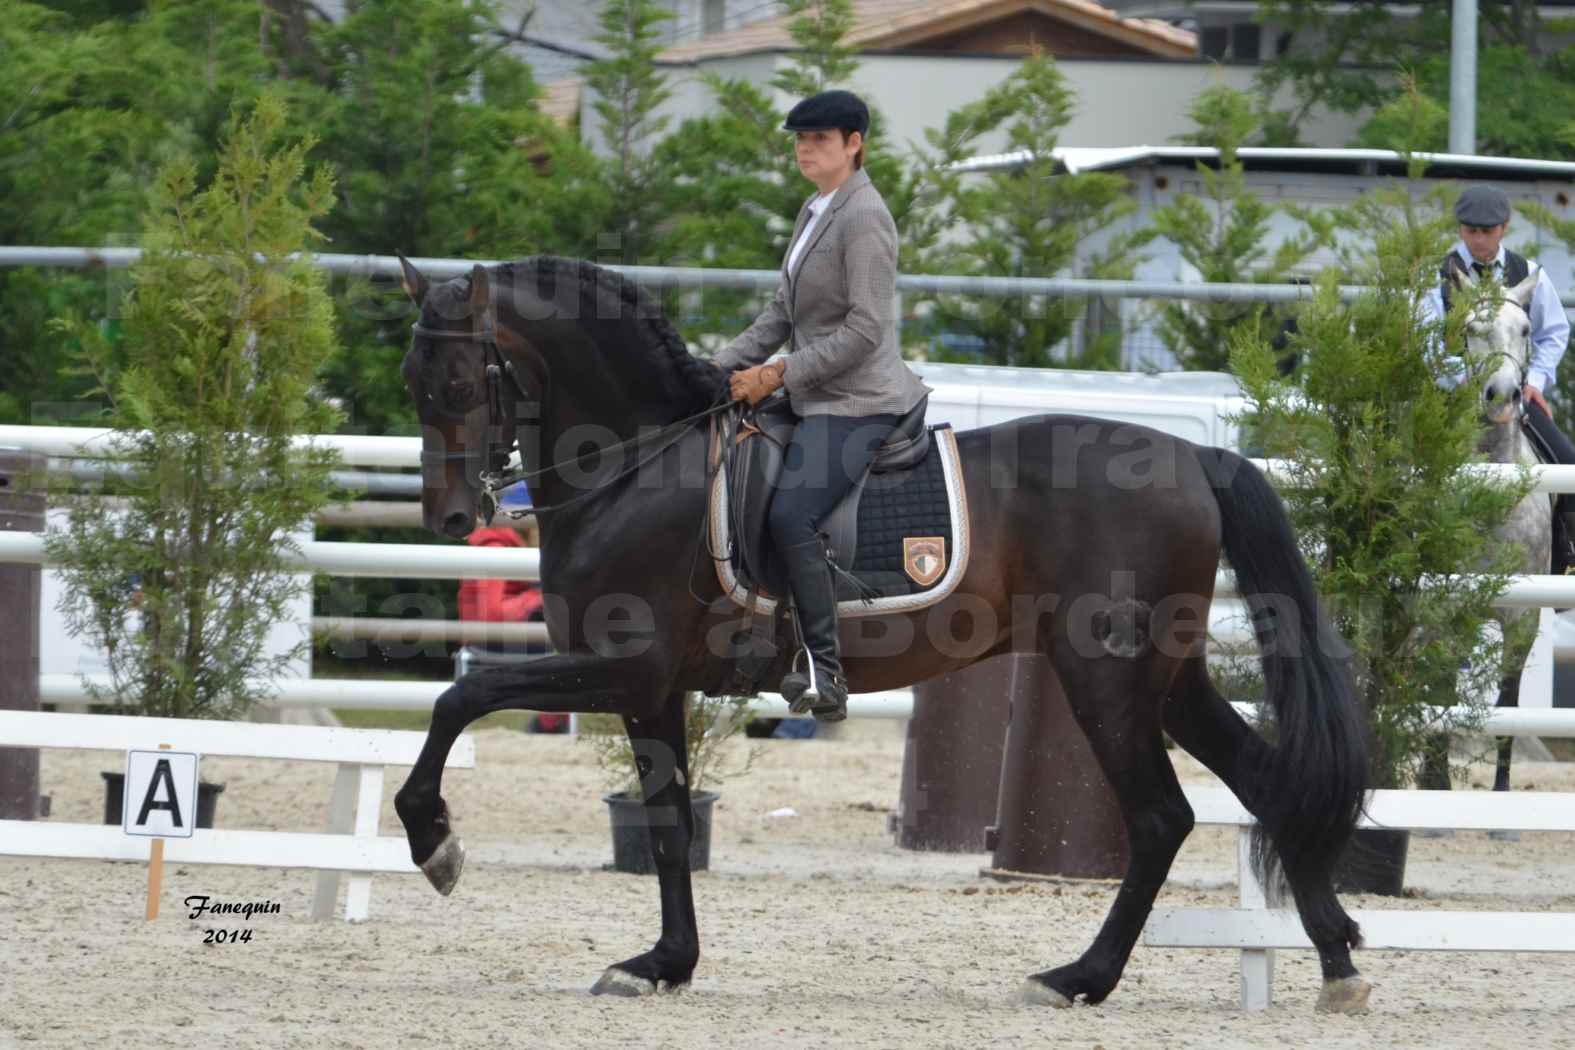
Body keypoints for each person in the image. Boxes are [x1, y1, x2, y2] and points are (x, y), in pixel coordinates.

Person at [711, 89, 931, 722]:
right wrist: (716, 368)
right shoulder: (816, 208)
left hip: (859, 400)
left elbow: (865, 330)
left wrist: (777, 372)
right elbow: (781, 312)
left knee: (792, 516)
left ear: (854, 144)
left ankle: (823, 666)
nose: (806, 149)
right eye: (800, 140)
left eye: (820, 140)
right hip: (812, 392)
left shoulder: (865, 217)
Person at [1422, 184, 1575, 569]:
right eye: (1470, 231)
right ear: (1460, 230)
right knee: (1403, 468)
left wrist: (1536, 381)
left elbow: (1553, 332)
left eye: (1486, 231)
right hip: (1450, 396)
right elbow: (1425, 341)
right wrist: (1462, 380)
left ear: (1504, 228)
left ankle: (1565, 559)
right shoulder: (1436, 277)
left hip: (1515, 397)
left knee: (1567, 465)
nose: (1478, 240)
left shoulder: (1528, 273)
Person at [457, 481, 561, 731]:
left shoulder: (509, 545)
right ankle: (546, 724)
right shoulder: (493, 548)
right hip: (489, 639)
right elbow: (490, 616)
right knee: (571, 647)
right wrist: (538, 597)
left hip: (509, 633)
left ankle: (548, 722)